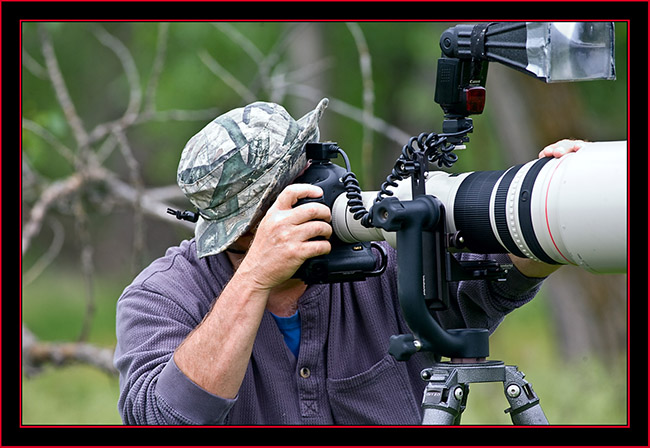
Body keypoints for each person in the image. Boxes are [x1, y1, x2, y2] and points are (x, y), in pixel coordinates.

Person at [113, 98, 578, 425]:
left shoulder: (382, 264)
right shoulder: (161, 296)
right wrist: (255, 278)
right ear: (244, 225)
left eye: (314, 164)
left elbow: (497, 280)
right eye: (300, 183)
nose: (326, 185)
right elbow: (167, 419)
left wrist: (557, 197)